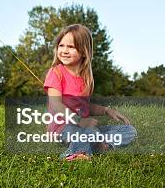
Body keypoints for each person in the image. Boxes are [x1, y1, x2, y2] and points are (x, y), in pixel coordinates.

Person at [44, 24, 136, 161]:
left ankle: (101, 145)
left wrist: (106, 110)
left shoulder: (85, 79)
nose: (64, 50)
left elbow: (85, 106)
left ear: (83, 52)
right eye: (61, 45)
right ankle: (74, 154)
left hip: (85, 128)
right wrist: (80, 121)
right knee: (87, 132)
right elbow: (56, 104)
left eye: (71, 47)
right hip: (63, 128)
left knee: (129, 131)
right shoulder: (56, 72)